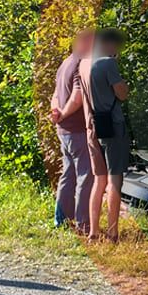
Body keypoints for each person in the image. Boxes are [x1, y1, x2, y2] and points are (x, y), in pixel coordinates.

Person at [83, 28, 130, 240]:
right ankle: (112, 233)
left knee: (98, 179)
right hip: (112, 125)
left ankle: (93, 232)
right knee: (114, 180)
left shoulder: (83, 64)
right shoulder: (108, 64)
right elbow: (122, 93)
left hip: (93, 126)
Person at [49, 30, 95, 232]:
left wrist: (56, 114)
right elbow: (77, 97)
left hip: (64, 131)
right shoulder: (79, 63)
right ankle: (83, 223)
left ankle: (61, 219)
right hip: (77, 129)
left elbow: (55, 96)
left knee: (68, 174)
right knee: (86, 176)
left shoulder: (65, 62)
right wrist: (64, 114)